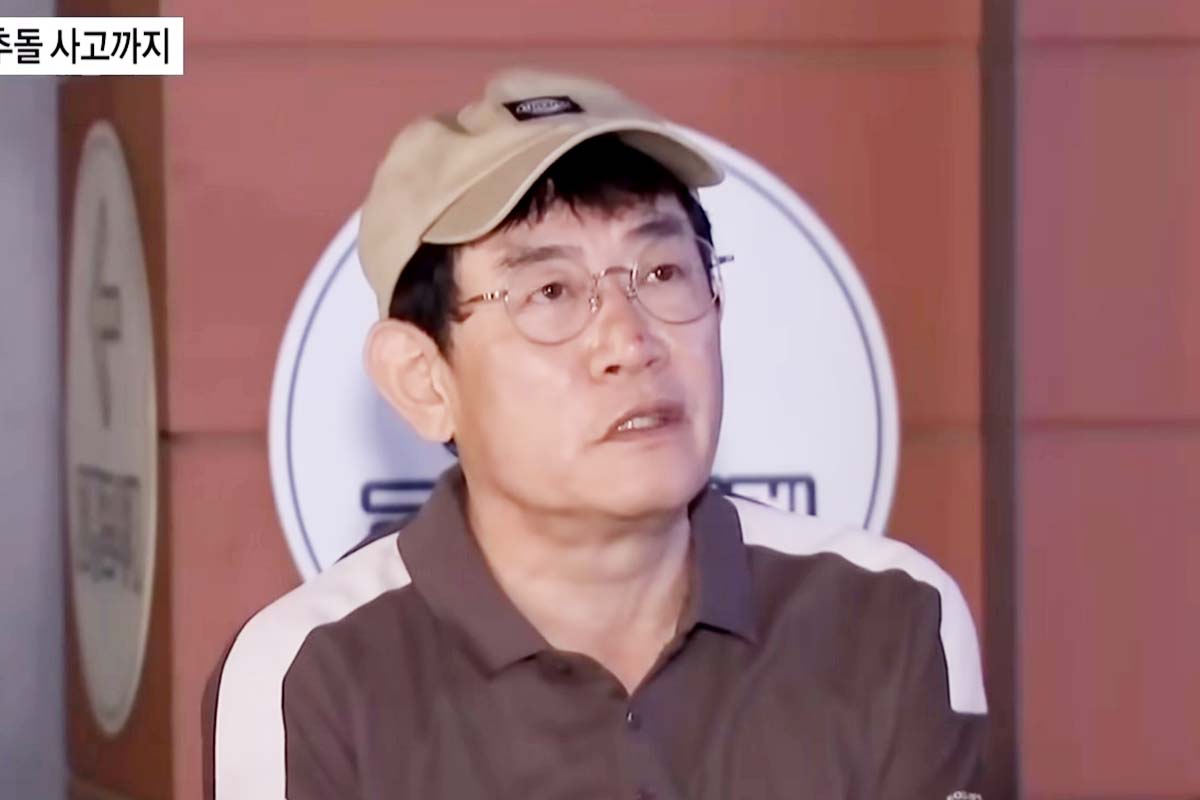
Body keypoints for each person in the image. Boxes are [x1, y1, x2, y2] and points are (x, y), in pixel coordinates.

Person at [203, 68, 987, 800]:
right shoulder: (310, 674)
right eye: (551, 291)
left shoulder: (888, 617)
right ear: (424, 379)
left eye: (664, 274)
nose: (630, 341)